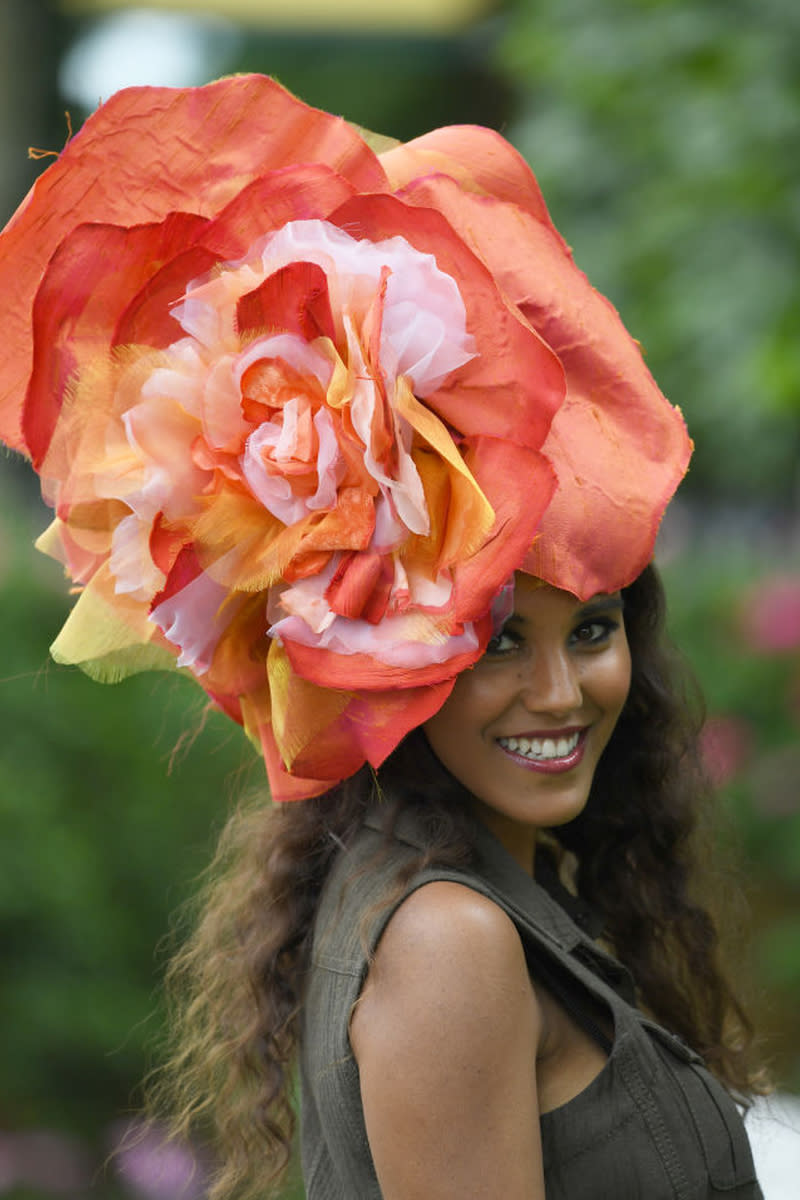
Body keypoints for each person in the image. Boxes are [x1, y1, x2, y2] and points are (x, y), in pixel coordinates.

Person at [0, 75, 766, 1198]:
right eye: (500, 641)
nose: (560, 689)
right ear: (406, 657)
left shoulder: (492, 897)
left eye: (591, 630)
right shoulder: (450, 940)